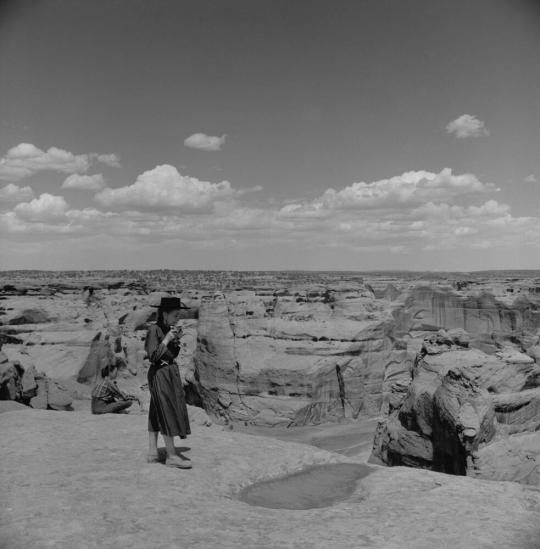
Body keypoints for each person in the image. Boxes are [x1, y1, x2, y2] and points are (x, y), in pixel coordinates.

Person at [145, 296, 192, 469]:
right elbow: (153, 357)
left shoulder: (167, 328)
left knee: (156, 410)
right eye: (175, 315)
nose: (177, 318)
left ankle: (152, 452)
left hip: (169, 372)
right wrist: (166, 340)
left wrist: (175, 340)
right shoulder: (154, 330)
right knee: (167, 410)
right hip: (159, 373)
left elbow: (172, 354)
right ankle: (171, 456)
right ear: (164, 314)